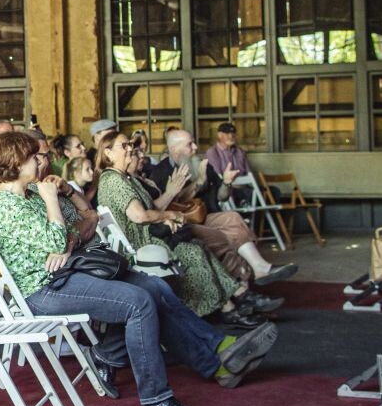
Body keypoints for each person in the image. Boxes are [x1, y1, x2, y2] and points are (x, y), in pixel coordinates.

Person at [0, 132, 279, 406]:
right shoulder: (7, 205)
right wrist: (54, 208)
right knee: (139, 303)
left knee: (154, 286)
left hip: (70, 271)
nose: (41, 161)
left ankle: (215, 357)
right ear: (15, 163)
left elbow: (83, 222)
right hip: (44, 289)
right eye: (33, 157)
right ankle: (156, 400)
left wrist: (67, 235)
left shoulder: (32, 193)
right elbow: (58, 238)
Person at [97, 133, 263, 324]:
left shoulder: (126, 178)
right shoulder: (113, 180)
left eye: (130, 145)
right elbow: (140, 216)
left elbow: (152, 208)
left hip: (149, 237)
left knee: (198, 245)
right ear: (108, 153)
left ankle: (231, 303)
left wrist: (169, 205)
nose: (130, 149)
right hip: (139, 244)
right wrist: (170, 215)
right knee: (193, 251)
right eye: (124, 146)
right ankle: (220, 308)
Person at [149, 129, 296, 289]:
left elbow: (222, 197)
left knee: (233, 217)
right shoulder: (160, 173)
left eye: (194, 142)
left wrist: (226, 182)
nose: (196, 147)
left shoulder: (202, 164)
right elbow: (167, 206)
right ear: (175, 149)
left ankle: (258, 269)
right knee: (229, 238)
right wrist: (199, 181)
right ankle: (246, 288)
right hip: (183, 224)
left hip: (208, 216)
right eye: (189, 144)